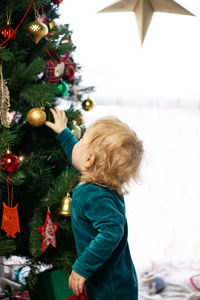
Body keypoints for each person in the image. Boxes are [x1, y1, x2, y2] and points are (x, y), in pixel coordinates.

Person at [45, 107, 144, 300]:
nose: (77, 142)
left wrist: (82, 267)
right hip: (117, 278)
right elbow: (78, 156)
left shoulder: (92, 194)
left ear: (89, 160)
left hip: (111, 287)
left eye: (81, 141)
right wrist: (63, 132)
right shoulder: (102, 183)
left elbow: (112, 231)